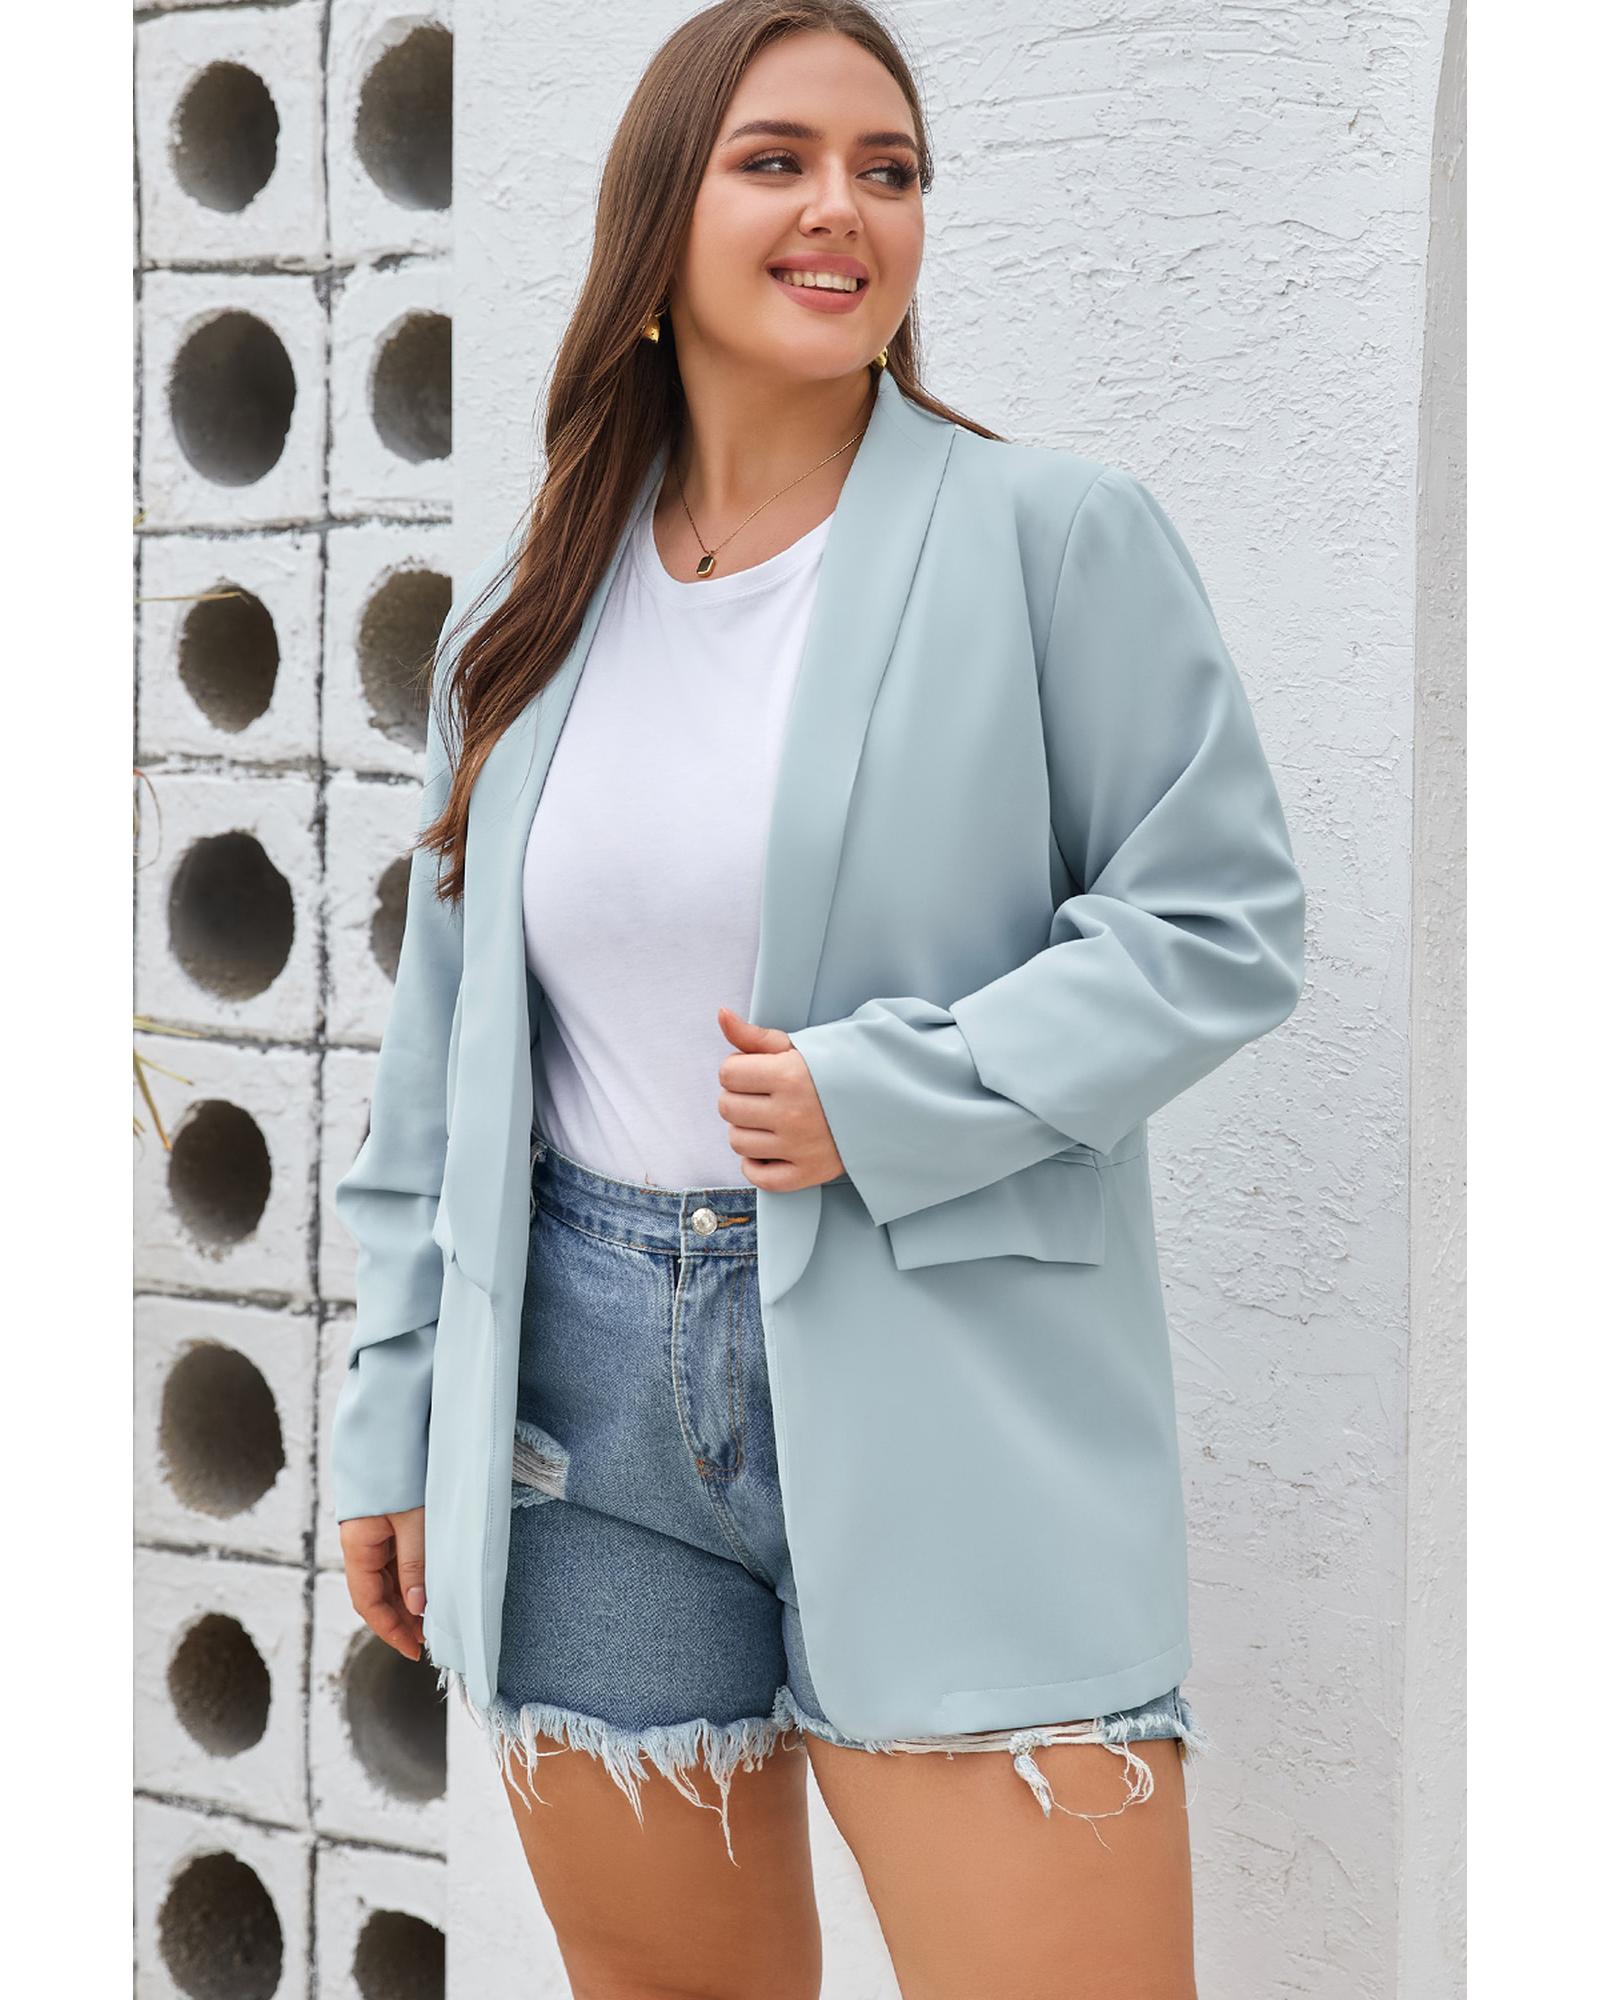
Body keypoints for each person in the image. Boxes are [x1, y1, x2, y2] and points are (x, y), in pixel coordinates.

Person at [332, 4, 1306, 1994]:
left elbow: (1220, 919)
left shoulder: (1051, 538)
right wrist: (395, 1409)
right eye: (776, 160)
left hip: (949, 1377)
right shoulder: (526, 609)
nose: (842, 207)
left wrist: (899, 1091)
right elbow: (443, 1063)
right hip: (572, 1412)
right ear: (655, 218)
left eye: (889, 169)